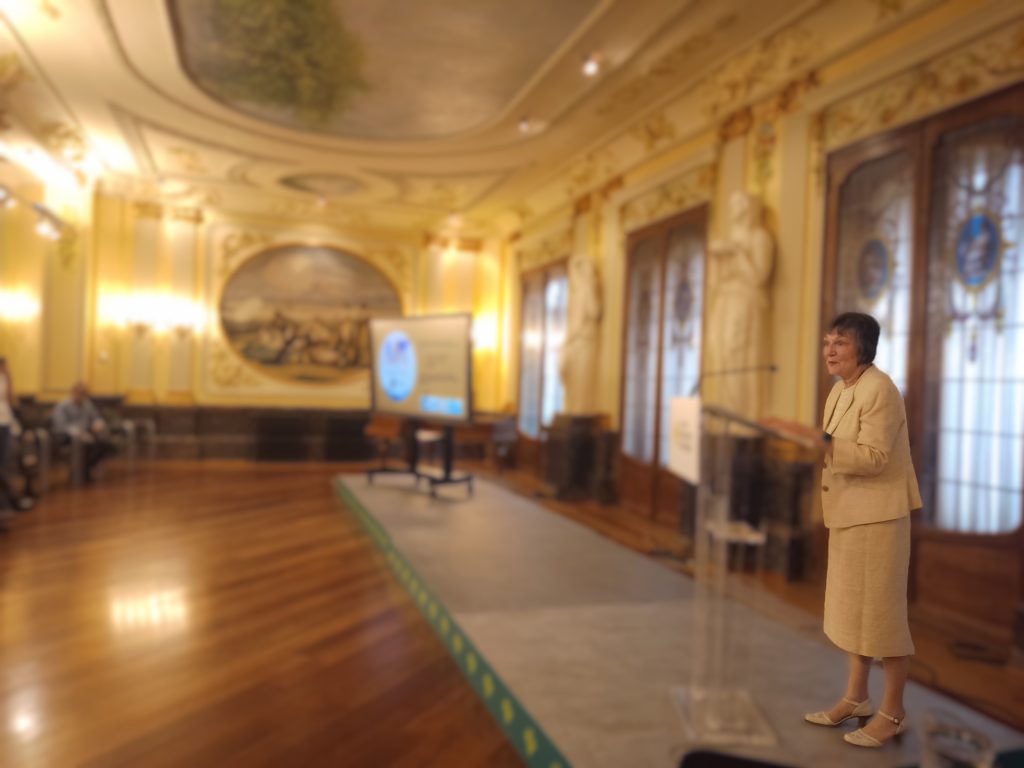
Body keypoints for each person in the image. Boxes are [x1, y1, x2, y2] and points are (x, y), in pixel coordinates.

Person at [763, 312, 921, 749]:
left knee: (883, 619)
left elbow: (873, 457)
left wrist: (817, 439)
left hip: (878, 519)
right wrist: (807, 439)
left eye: (840, 343)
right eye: (826, 342)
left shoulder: (881, 389)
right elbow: (832, 447)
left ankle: (893, 713)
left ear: (863, 348)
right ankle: (856, 698)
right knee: (854, 613)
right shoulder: (840, 390)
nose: (829, 351)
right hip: (849, 513)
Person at [706, 191, 774, 420]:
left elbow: (758, 277)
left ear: (747, 208)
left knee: (737, 353)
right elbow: (716, 283)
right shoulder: (730, 240)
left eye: (737, 204)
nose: (732, 209)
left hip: (745, 302)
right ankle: (727, 412)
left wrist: (737, 252)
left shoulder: (759, 237)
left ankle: (741, 416)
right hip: (725, 301)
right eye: (732, 205)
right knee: (719, 351)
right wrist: (717, 259)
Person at [52, 381, 116, 482]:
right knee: (86, 446)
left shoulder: (87, 404)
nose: (81, 397)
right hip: (68, 437)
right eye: (80, 393)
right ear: (73, 393)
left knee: (105, 445)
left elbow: (96, 418)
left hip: (87, 435)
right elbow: (61, 426)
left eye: (84, 394)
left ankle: (83, 469)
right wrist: (80, 434)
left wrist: (98, 423)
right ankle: (80, 471)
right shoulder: (62, 406)